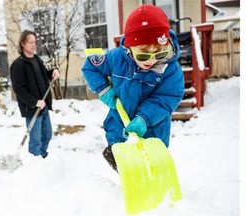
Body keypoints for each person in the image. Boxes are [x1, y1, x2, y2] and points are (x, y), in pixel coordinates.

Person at [82, 4, 185, 171]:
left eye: (159, 54)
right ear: (129, 48)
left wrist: (144, 118)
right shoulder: (116, 58)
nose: (151, 61)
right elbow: (90, 67)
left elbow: (167, 98)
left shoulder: (171, 70)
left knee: (150, 168)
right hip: (118, 124)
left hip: (153, 130)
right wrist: (104, 90)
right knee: (124, 161)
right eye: (143, 55)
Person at [10, 30, 60, 158]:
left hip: (43, 105)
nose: (33, 45)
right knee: (36, 140)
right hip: (33, 108)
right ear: (23, 44)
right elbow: (19, 89)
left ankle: (41, 158)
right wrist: (35, 102)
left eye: (35, 42)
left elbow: (43, 75)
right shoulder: (18, 64)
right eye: (30, 42)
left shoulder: (37, 60)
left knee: (47, 135)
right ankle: (34, 163)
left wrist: (53, 72)